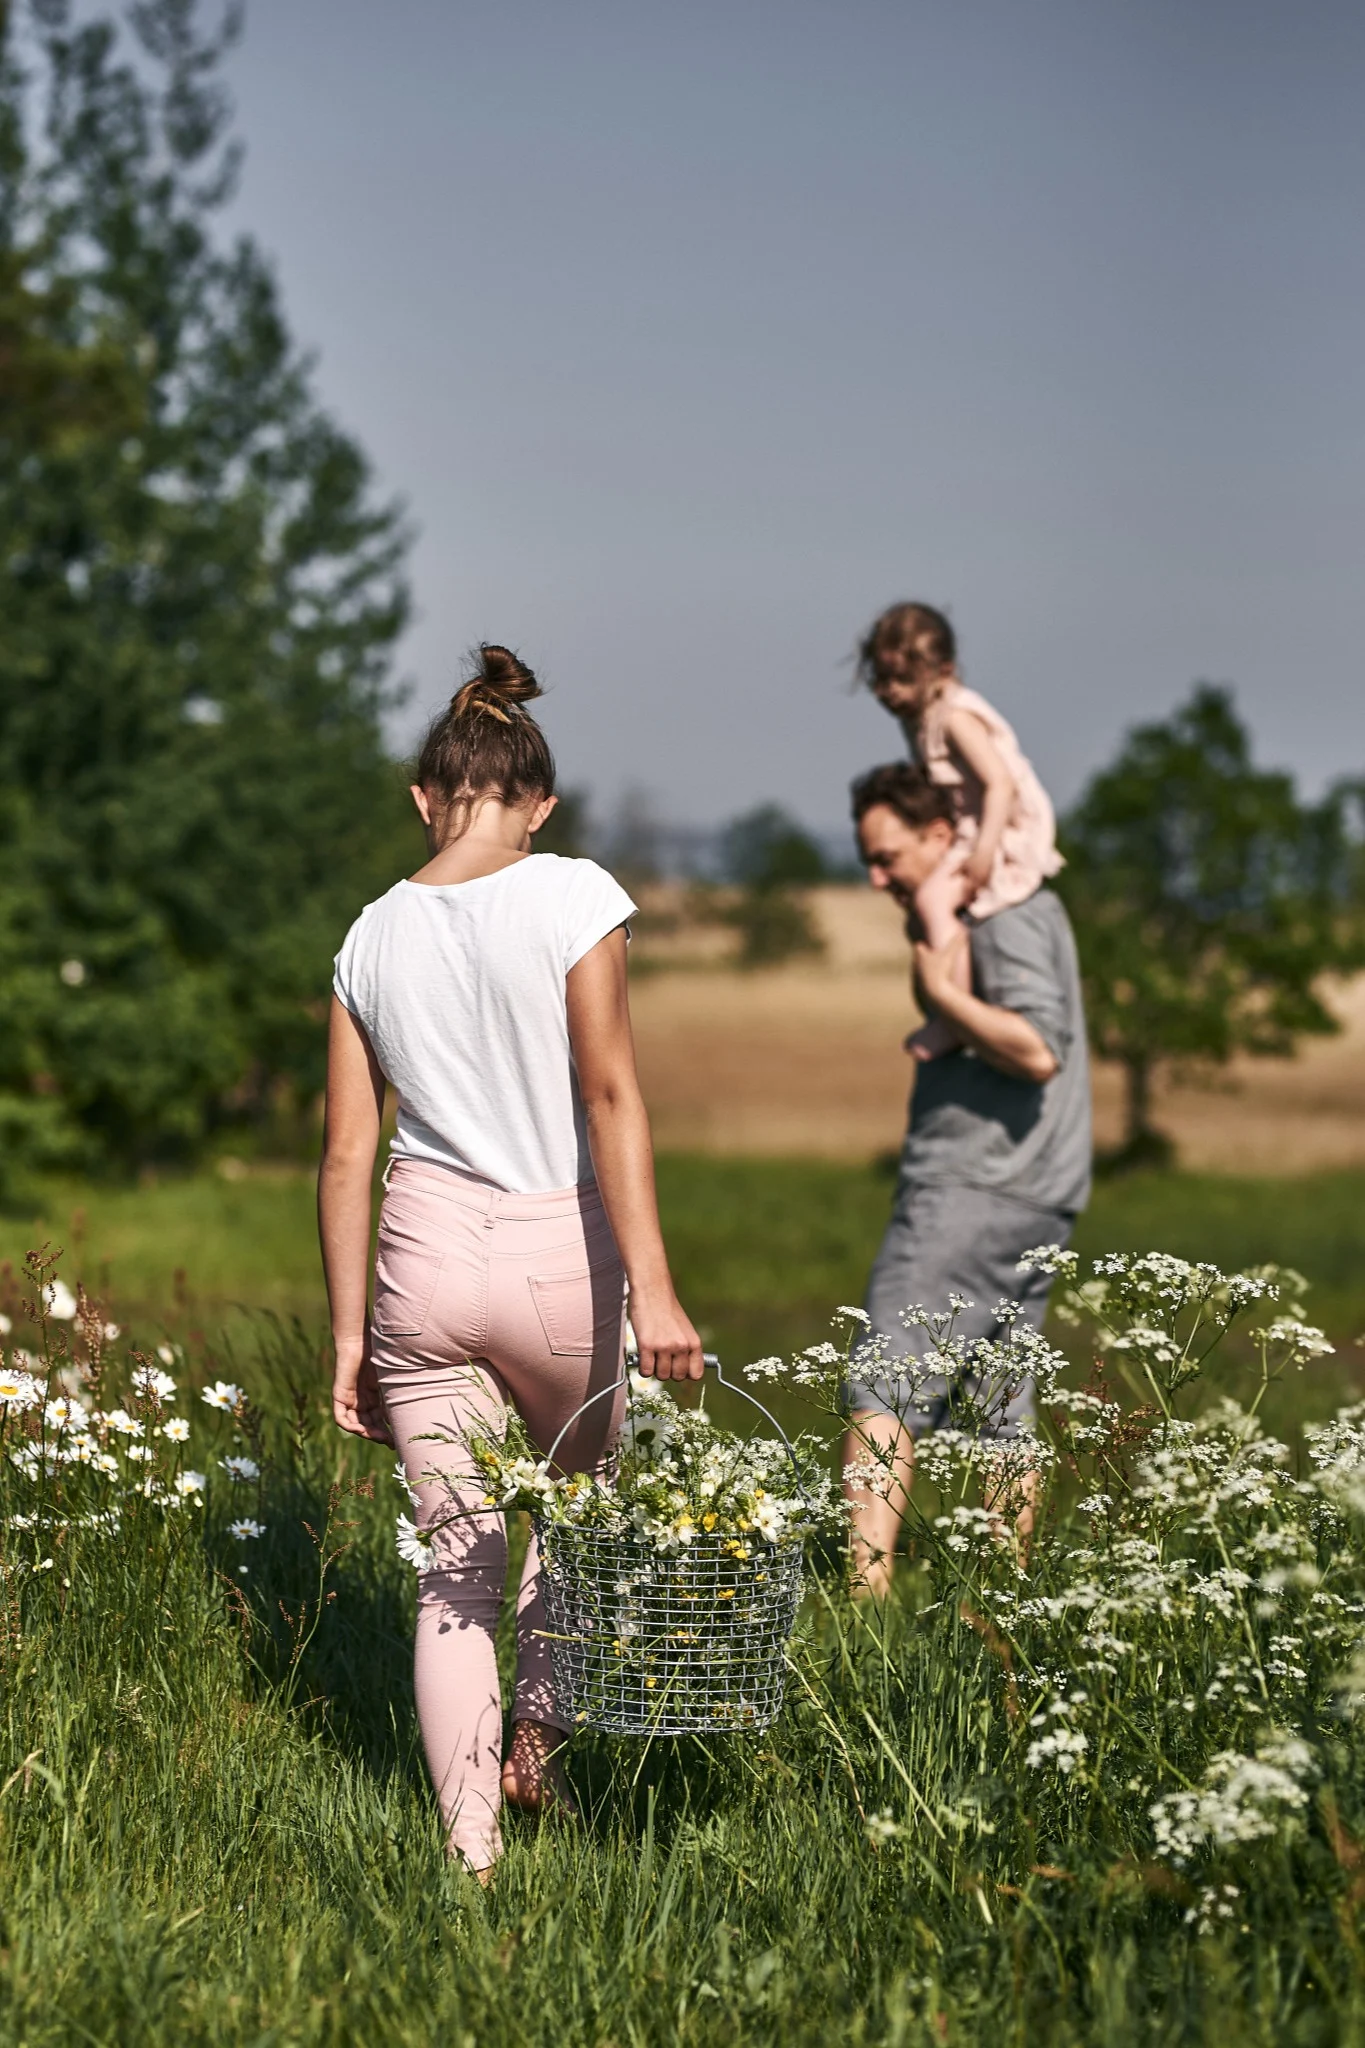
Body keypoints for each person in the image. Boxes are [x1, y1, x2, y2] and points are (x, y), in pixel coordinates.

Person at [318, 644, 703, 1878]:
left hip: (419, 1259)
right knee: (572, 1520)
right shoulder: (572, 891)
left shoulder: (367, 935)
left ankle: (471, 1857)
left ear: (425, 798)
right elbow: (611, 1092)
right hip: (555, 1257)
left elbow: (342, 1156)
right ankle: (540, 1745)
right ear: (535, 803)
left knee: (455, 1568)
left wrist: (346, 1340)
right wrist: (657, 1286)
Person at [842, 762, 1091, 1597]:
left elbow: (1037, 1047)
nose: (878, 878)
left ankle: (861, 1613)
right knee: (998, 1409)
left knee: (882, 1378)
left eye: (888, 857)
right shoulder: (1004, 903)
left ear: (944, 835)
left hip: (975, 1185)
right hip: (1036, 1190)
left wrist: (940, 990)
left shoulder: (1000, 911)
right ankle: (1004, 1608)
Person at [856, 601, 1063, 1059]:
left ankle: (953, 1015)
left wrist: (986, 848)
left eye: (902, 679)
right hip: (975, 827)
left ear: (942, 670)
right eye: (881, 679)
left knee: (932, 901)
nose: (890, 691)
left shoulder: (954, 718)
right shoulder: (923, 717)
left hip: (995, 829)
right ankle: (949, 1007)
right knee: (926, 912)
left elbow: (1001, 782)